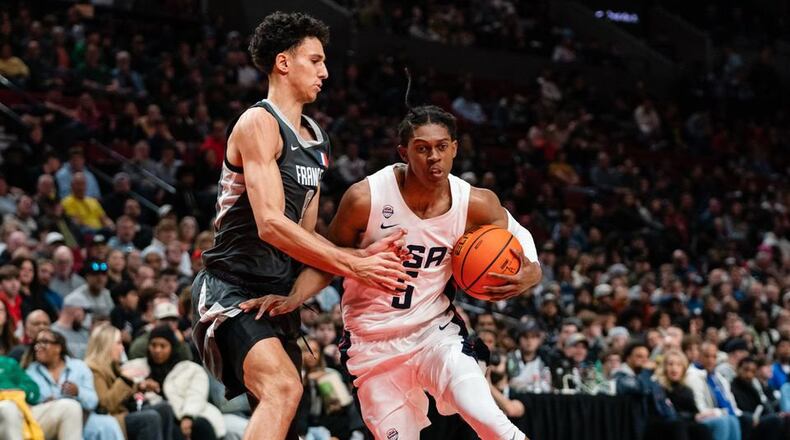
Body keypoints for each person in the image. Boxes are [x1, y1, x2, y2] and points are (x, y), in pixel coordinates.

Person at [244, 105, 542, 439]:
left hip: (435, 333)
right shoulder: (365, 198)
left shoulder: (476, 203)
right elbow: (326, 258)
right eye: (422, 148)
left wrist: (534, 270)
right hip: (372, 344)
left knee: (490, 420)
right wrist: (293, 297)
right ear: (404, 152)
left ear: (455, 149)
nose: (433, 157)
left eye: (442, 147)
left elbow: (518, 234)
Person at [190, 12, 407, 440]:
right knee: (283, 390)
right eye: (315, 60)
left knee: (286, 417)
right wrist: (353, 264)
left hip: (274, 298)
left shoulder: (316, 140)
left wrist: (357, 256)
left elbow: (305, 237)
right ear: (284, 62)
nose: (325, 72)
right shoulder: (259, 123)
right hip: (229, 289)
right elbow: (270, 224)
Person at [26, 329, 125, 439]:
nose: (38, 347)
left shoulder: (79, 367)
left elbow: (93, 401)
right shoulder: (30, 373)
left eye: (44, 342)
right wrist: (43, 404)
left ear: (58, 348)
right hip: (50, 421)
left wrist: (78, 392)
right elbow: (27, 403)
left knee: (108, 424)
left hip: (83, 418)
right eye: (37, 343)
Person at [85, 323, 175, 440]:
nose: (122, 348)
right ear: (106, 345)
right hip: (111, 419)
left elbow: (121, 390)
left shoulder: (113, 366)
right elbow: (105, 406)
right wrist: (125, 379)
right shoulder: (94, 370)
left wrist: (140, 387)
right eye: (118, 343)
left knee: (165, 408)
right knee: (150, 418)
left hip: (124, 413)